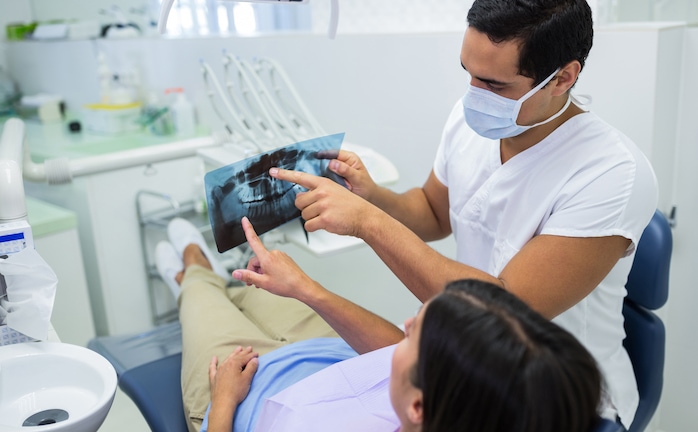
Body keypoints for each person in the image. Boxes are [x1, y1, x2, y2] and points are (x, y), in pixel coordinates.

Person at [265, 0, 657, 428]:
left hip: (556, 399)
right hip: (464, 368)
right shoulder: (472, 120)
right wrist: (373, 195)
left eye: (494, 84)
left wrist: (367, 221)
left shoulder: (612, 172)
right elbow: (434, 212)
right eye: (468, 73)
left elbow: (501, 309)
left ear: (562, 78)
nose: (474, 94)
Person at [157, 216, 603, 432]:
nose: (404, 325)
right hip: (325, 354)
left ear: (418, 409)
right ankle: (208, 278)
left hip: (238, 389)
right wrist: (306, 289)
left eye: (413, 334)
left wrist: (223, 403)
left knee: (200, 294)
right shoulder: (470, 399)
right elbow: (389, 351)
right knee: (252, 286)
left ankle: (192, 269)